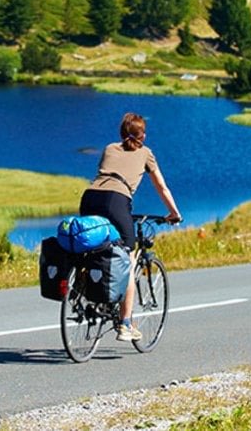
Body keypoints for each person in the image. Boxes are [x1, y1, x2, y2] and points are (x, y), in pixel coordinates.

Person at [80, 112, 182, 341]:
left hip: (89, 198)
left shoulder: (109, 148)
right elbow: (162, 187)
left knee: (94, 247)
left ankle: (86, 294)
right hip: (117, 201)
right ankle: (125, 324)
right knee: (128, 259)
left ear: (121, 132)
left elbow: (108, 177)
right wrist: (174, 213)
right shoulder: (146, 153)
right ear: (142, 135)